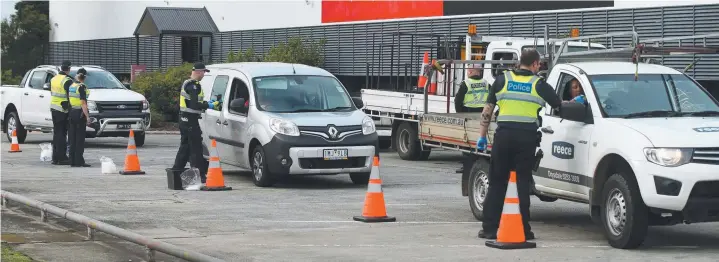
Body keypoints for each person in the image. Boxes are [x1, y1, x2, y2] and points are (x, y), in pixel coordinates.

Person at [475, 49, 564, 240]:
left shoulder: (502, 80)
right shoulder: (538, 84)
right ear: (534, 64)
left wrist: (481, 136)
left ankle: (489, 228)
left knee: (497, 182)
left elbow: (487, 110)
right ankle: (523, 229)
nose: (539, 67)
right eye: (538, 64)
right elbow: (558, 104)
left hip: (504, 137)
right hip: (526, 139)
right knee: (523, 183)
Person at [172, 62, 210, 183]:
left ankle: (176, 171)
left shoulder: (187, 83)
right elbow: (194, 104)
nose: (204, 74)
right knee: (196, 147)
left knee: (185, 147)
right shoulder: (194, 86)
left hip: (184, 119)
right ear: (198, 72)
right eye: (204, 72)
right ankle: (199, 175)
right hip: (190, 120)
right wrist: (208, 105)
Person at [454, 63, 490, 173]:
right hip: (482, 115)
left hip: (468, 114)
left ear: (472, 71)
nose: (468, 72)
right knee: (480, 139)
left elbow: (458, 101)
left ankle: (467, 166)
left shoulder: (466, 83)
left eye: (469, 70)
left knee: (467, 141)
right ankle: (480, 163)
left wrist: (460, 114)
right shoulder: (486, 83)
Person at [49, 60, 74, 165]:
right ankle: (62, 157)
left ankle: (55, 158)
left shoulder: (53, 79)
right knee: (62, 134)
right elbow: (70, 96)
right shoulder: (67, 80)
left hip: (53, 107)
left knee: (56, 133)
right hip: (62, 109)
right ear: (69, 69)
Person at [68, 68, 91, 167]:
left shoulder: (72, 86)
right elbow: (83, 103)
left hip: (72, 112)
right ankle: (79, 161)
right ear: (84, 77)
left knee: (72, 137)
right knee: (80, 138)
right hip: (79, 114)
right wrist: (87, 117)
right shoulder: (82, 87)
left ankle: (72, 160)